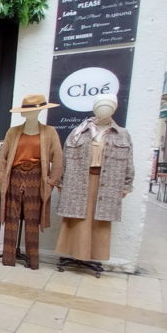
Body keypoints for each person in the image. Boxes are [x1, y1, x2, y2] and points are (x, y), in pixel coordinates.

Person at [55, 94, 133, 263]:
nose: (103, 109)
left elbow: (128, 162)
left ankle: (95, 256)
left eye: (108, 106)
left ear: (114, 108)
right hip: (78, 181)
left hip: (108, 184)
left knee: (100, 221)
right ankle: (76, 254)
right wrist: (60, 181)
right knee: (77, 219)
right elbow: (65, 158)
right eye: (100, 106)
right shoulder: (79, 132)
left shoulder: (122, 134)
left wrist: (127, 185)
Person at [0, 94, 64, 269]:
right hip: (15, 176)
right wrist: (1, 178)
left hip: (37, 177)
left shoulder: (49, 132)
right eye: (27, 111)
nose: (31, 114)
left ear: (41, 111)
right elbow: (3, 158)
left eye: (34, 111)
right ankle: (8, 257)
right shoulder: (13, 131)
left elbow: (58, 158)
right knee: (12, 216)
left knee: (32, 218)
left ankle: (33, 259)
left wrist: (52, 182)